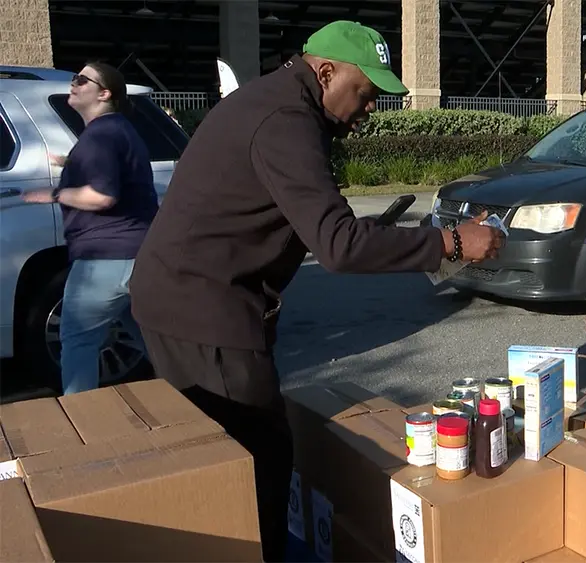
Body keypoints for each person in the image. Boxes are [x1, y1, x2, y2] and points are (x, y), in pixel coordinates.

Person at [128, 21, 504, 562]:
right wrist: (449, 242)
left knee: (234, 453)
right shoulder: (285, 120)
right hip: (202, 310)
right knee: (258, 459)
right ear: (325, 72)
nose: (372, 107)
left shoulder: (279, 104)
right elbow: (340, 246)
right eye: (367, 93)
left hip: (186, 297)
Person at [21, 62, 157, 395]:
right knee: (149, 337)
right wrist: (70, 163)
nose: (74, 84)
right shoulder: (118, 130)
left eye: (82, 80)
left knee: (78, 340)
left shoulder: (100, 135)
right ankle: (196, 397)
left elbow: (102, 196)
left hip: (104, 259)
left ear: (104, 92)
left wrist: (50, 194)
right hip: (139, 255)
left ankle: (83, 424)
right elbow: (114, 174)